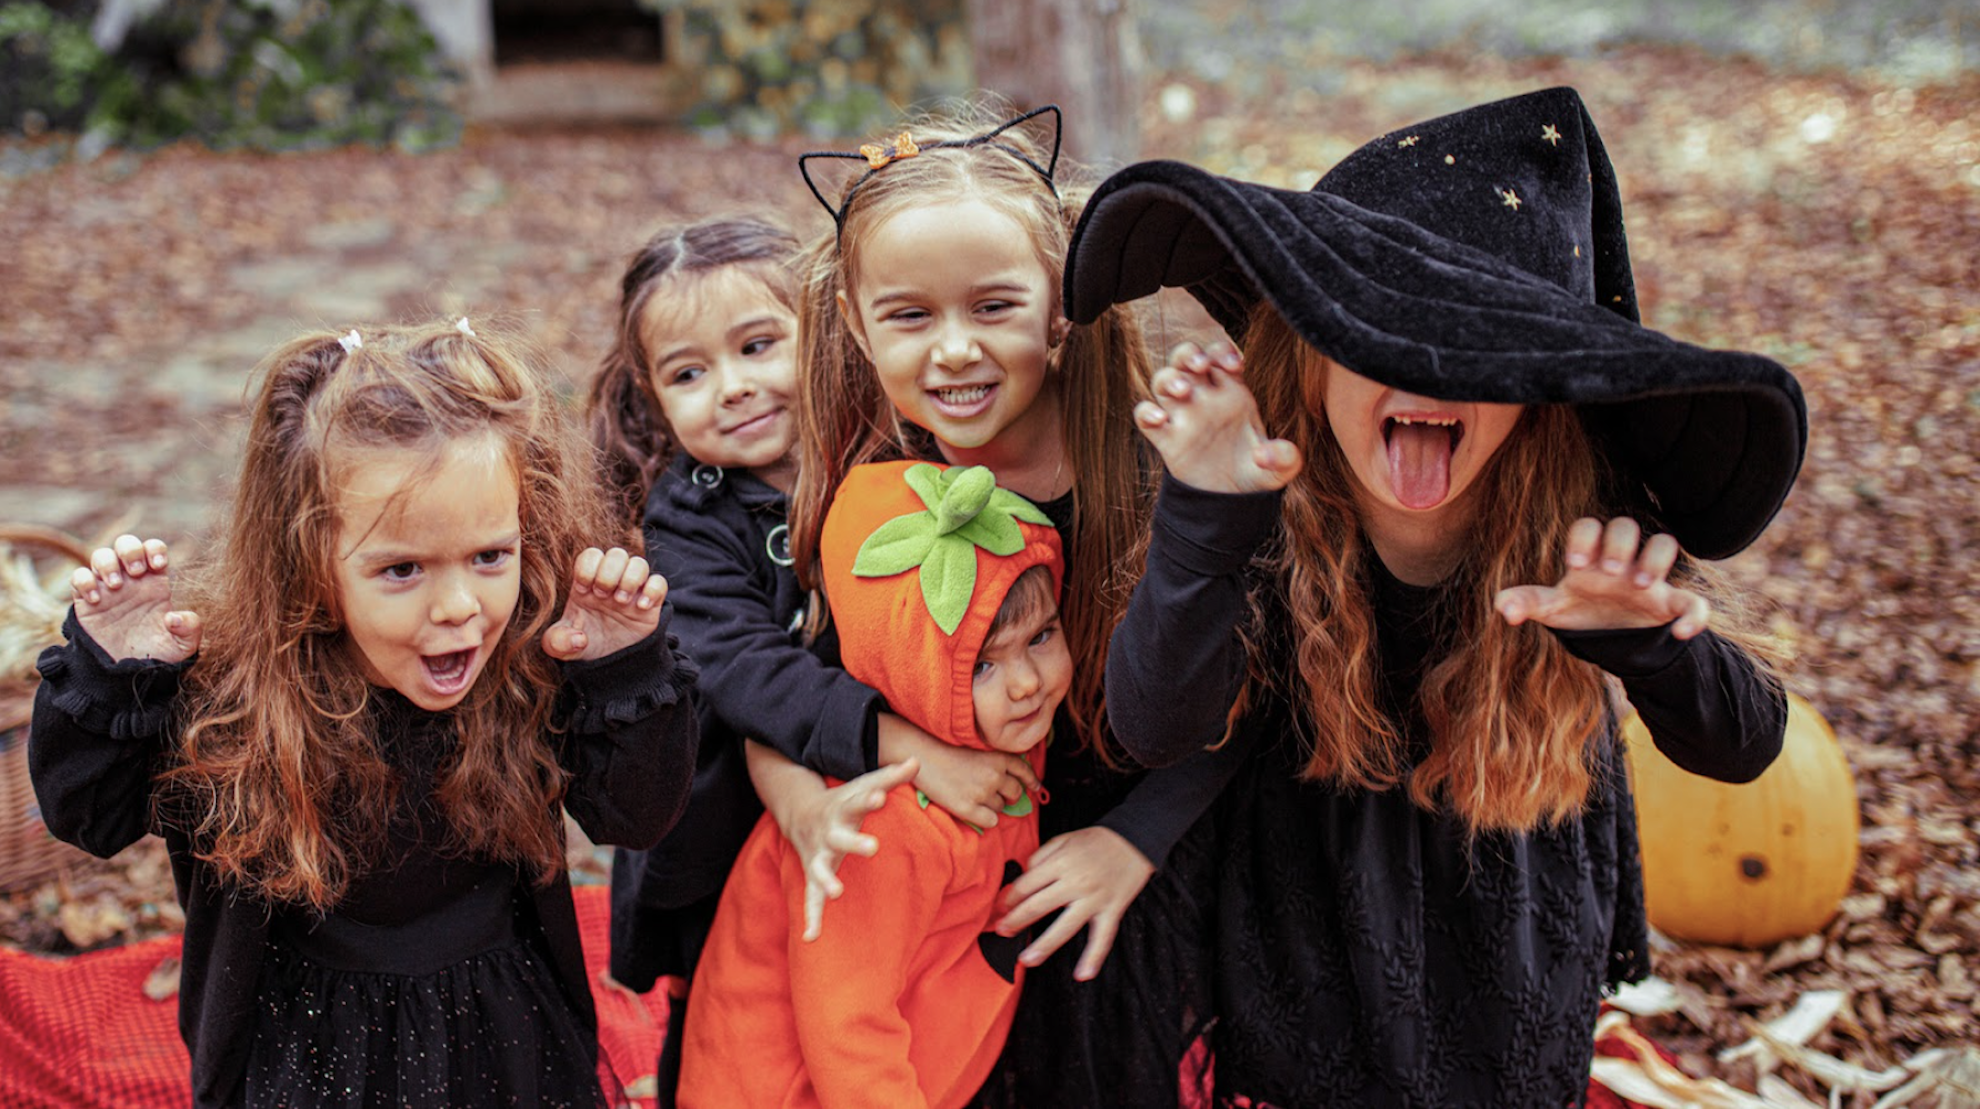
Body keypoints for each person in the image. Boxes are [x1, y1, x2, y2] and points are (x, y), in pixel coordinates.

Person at [1066, 86, 1808, 1106]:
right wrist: (1205, 512)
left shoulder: (1579, 528)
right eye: (1378, 339)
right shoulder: (1263, 496)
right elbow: (1156, 721)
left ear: (1542, 387)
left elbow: (1749, 742)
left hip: (1508, 914)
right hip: (1306, 910)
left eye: (1479, 354)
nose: (1429, 379)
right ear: (1308, 349)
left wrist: (1655, 648)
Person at [29, 319, 701, 1109]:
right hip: (307, 1051)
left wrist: (621, 667)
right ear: (311, 561)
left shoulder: (527, 663)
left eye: (490, 556)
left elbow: (637, 815)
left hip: (505, 1031)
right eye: (402, 567)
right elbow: (90, 816)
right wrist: (117, 676)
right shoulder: (236, 702)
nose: (458, 606)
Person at [753, 101, 1242, 1105]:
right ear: (856, 322)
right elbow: (796, 673)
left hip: (1116, 858)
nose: (955, 351)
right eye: (910, 315)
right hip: (948, 891)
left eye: (993, 306)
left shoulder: (1146, 471)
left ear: (1058, 306)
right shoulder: (879, 482)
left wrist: (1132, 841)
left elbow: (1244, 693)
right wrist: (794, 793)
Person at [585, 215, 919, 1107]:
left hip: (874, 800)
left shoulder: (886, 460)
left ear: (824, 332)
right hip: (720, 823)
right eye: (689, 373)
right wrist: (889, 740)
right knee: (732, 1017)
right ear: (653, 398)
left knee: (868, 999)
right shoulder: (685, 520)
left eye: (758, 345)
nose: (731, 388)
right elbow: (739, 664)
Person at [679, 460, 1068, 1108]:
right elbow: (847, 1028)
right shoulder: (885, 822)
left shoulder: (1005, 730)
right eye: (982, 664)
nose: (1027, 681)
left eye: (1043, 635)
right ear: (914, 670)